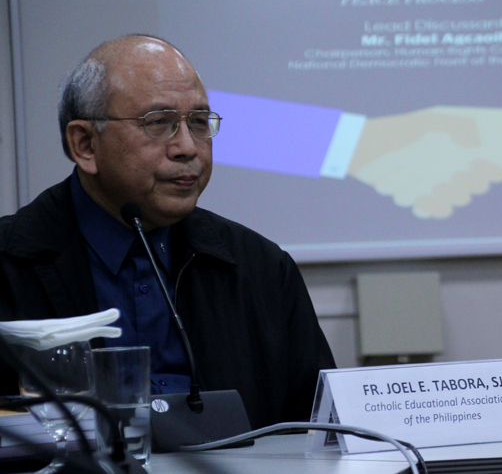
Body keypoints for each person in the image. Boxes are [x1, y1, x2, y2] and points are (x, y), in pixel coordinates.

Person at [0, 35, 335, 428]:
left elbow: (319, 428)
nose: (188, 148)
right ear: (86, 144)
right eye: (158, 123)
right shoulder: (10, 263)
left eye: (198, 123)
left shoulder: (261, 268)